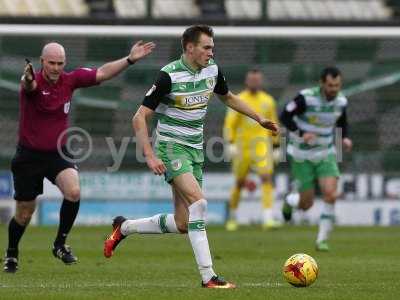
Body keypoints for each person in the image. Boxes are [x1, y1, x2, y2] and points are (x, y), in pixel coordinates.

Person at [103, 24, 278, 288]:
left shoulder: (213, 70)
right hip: (171, 147)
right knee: (200, 203)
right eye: (207, 47)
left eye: (212, 47)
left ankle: (124, 227)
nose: (211, 52)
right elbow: (139, 117)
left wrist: (259, 118)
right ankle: (209, 276)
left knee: (184, 223)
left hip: (195, 148)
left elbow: (228, 97)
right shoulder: (168, 76)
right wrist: (150, 155)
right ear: (190, 48)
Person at [3, 40, 155, 273]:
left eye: (60, 63)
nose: (55, 67)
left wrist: (130, 59)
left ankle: (60, 244)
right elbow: (29, 84)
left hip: (57, 154)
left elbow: (102, 73)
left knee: (73, 191)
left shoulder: (69, 80)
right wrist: (29, 78)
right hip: (28, 157)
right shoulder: (32, 83)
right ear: (42, 62)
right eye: (51, 63)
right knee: (24, 213)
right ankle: (12, 254)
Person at [280, 66, 352, 251]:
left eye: (337, 85)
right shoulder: (305, 98)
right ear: (321, 83)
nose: (334, 89)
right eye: (330, 85)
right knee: (307, 204)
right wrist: (301, 132)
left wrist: (344, 137)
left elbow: (342, 121)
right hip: (301, 156)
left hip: (325, 153)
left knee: (330, 193)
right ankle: (290, 202)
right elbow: (285, 116)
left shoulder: (341, 101)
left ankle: (322, 240)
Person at [223, 68, 281, 231]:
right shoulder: (239, 99)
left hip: (262, 146)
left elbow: (274, 122)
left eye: (257, 80)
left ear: (260, 82)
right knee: (240, 182)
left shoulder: (268, 101)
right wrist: (231, 143)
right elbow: (230, 123)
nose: (254, 82)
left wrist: (276, 145)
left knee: (266, 178)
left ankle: (268, 218)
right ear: (246, 81)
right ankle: (233, 218)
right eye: (252, 80)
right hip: (242, 147)